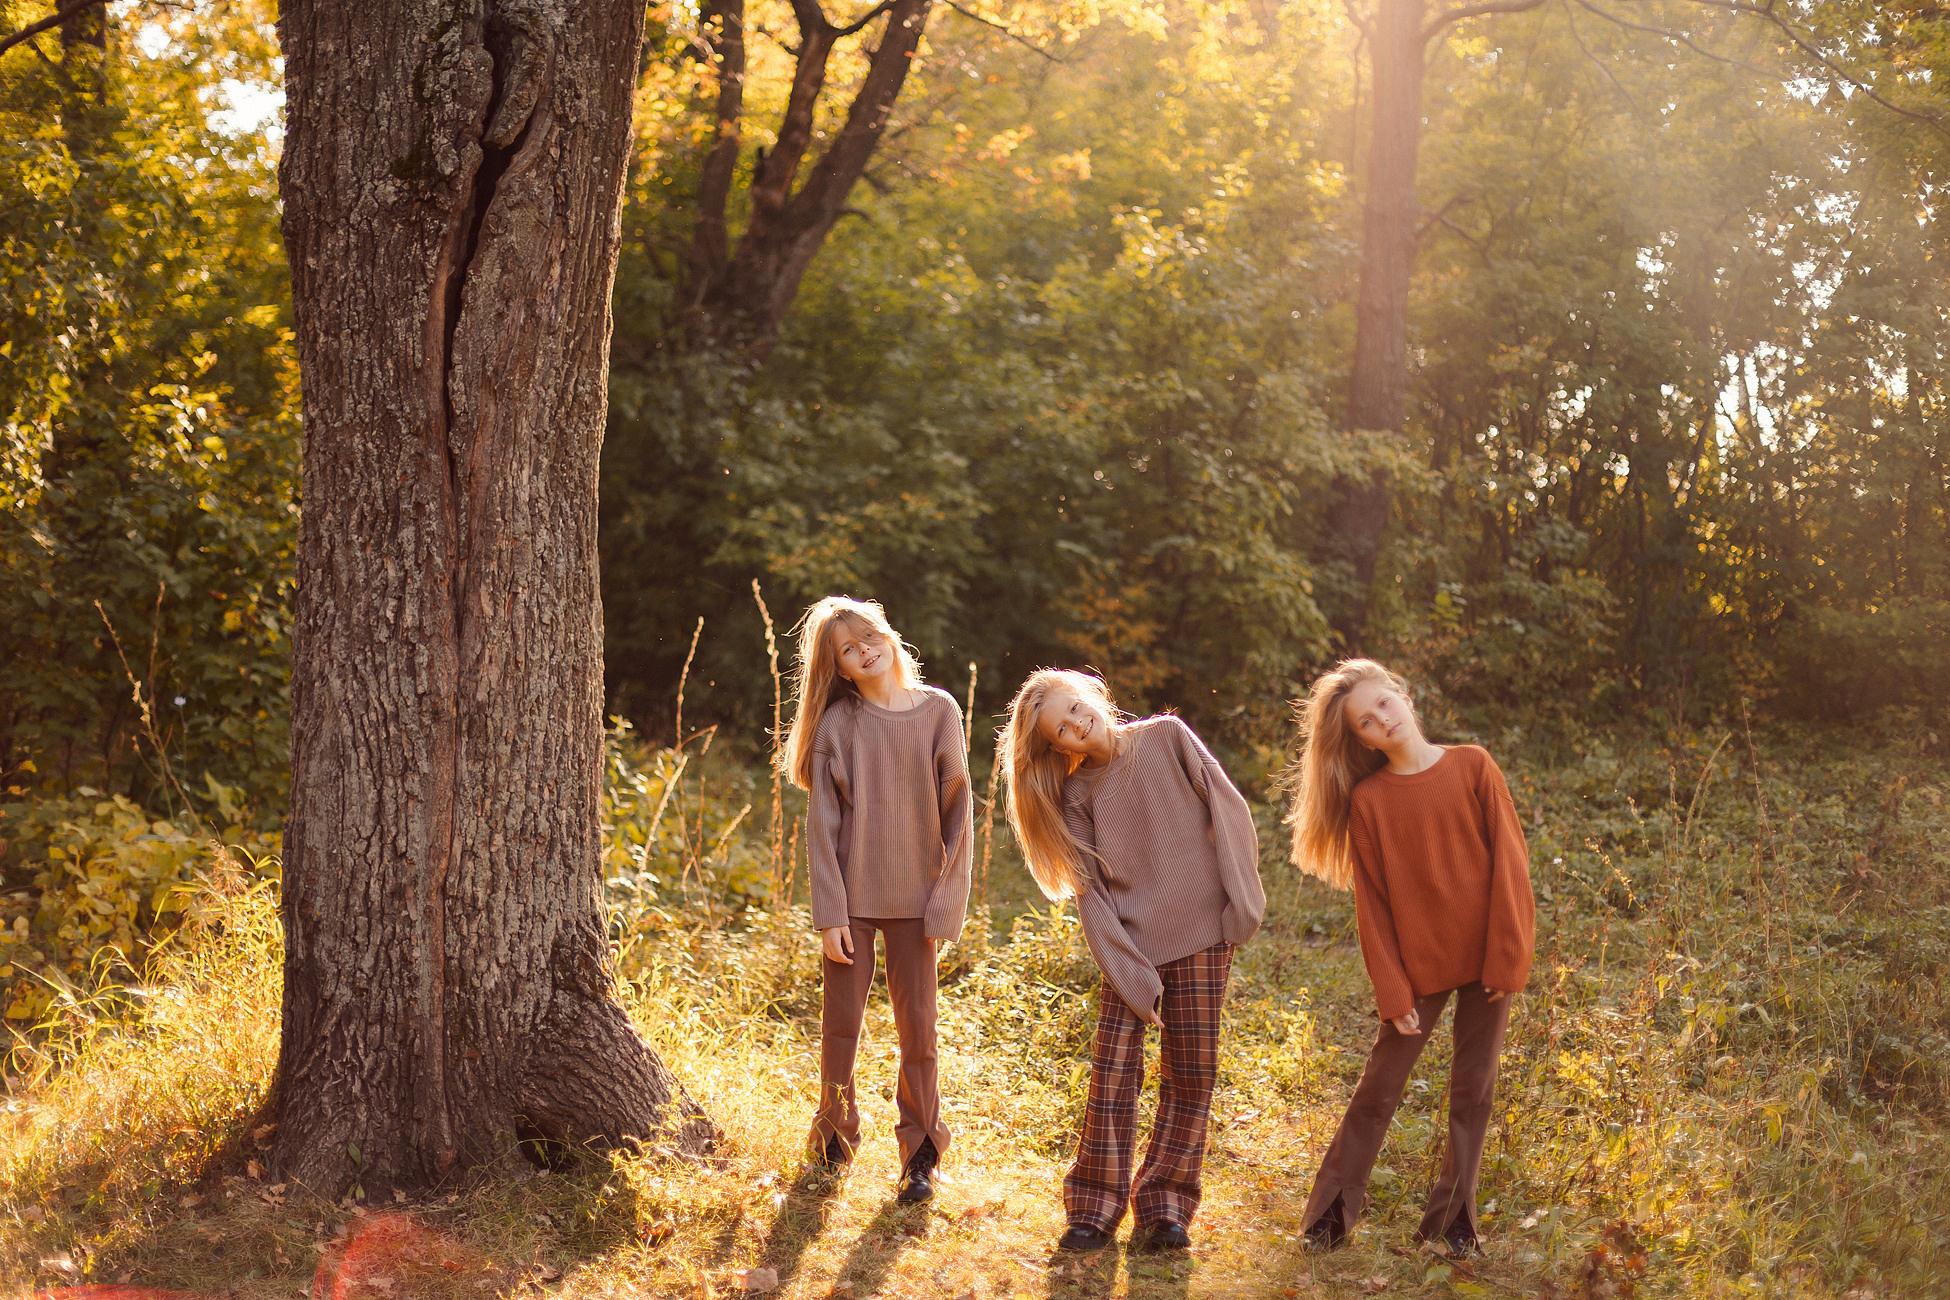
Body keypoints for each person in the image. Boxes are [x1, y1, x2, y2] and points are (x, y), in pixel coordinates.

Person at [1000, 669, 1265, 1254]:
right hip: (1133, 947)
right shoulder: (1077, 794)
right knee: (1113, 1077)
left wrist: (1243, 900)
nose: (1074, 725)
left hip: (1203, 936)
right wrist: (1127, 968)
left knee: (1192, 1073)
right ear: (1057, 749)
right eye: (1060, 732)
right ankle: (1093, 1210)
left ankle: (1166, 1207)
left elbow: (1228, 807)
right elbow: (1089, 893)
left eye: (1072, 708)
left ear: (1090, 695)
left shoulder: (1167, 737)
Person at [1286, 659, 1535, 1257]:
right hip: (1417, 966)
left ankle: (1453, 1226)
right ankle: (1330, 1218)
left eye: (1384, 705)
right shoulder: (1369, 801)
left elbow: (1511, 862)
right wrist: (1393, 994)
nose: (1382, 722)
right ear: (1361, 740)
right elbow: (1372, 906)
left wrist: (1506, 958)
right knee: (1379, 1089)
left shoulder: (1473, 764)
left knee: (1473, 1093)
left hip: (1485, 963)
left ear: (1403, 696)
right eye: (1366, 723)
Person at [778, 596, 973, 1203]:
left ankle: (920, 1154)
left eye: (870, 637)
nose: (864, 651)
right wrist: (830, 914)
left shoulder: (939, 711)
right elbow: (823, 828)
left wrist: (946, 901)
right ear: (838, 668)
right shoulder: (840, 725)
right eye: (848, 649)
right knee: (842, 1027)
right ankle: (834, 1139)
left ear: (889, 635)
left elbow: (958, 814)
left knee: (919, 1029)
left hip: (917, 903)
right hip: (854, 905)